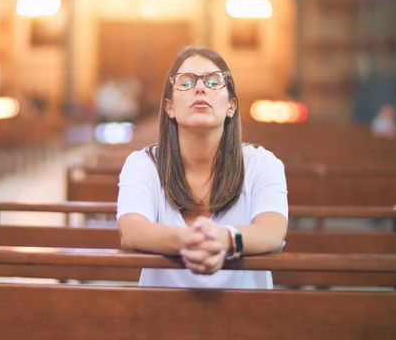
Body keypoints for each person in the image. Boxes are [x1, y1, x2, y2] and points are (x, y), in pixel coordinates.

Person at [116, 46, 288, 289]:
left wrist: (226, 239)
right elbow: (132, 231)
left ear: (231, 106)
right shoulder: (143, 164)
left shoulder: (262, 164)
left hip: (248, 315)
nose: (199, 87)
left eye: (213, 81)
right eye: (185, 82)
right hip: (160, 316)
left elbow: (272, 231)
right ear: (169, 107)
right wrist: (190, 240)